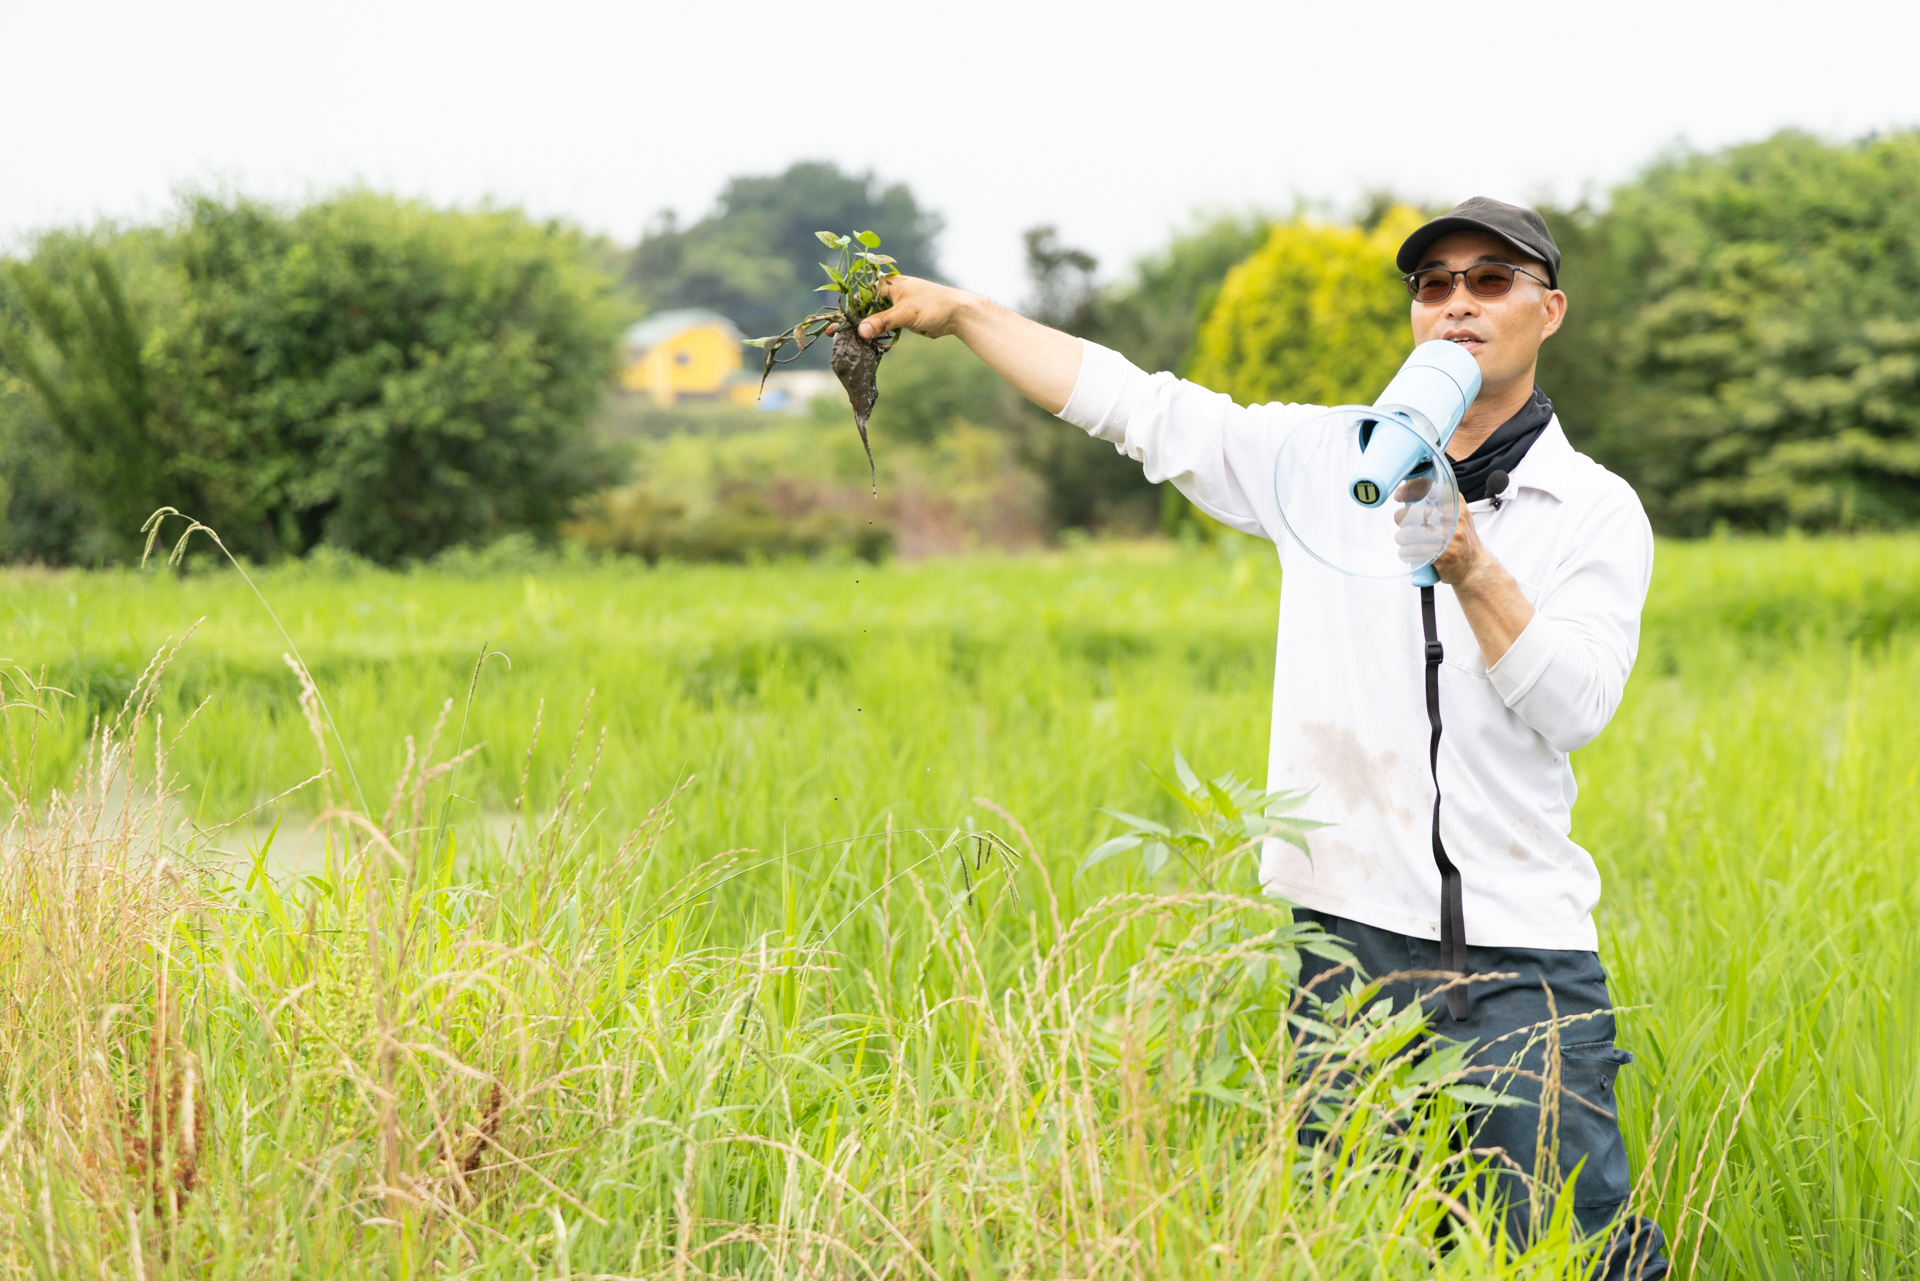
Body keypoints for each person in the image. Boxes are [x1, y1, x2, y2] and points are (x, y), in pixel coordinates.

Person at [854, 197, 1666, 1279]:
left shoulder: (1594, 509)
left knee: (1572, 1251)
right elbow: (1136, 406)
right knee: (1357, 1249)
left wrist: (1473, 570)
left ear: (1547, 309)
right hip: (1346, 950)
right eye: (1434, 286)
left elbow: (1576, 708)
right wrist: (961, 314)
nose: (1458, 305)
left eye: (1491, 281)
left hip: (1524, 958)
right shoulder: (1322, 460)